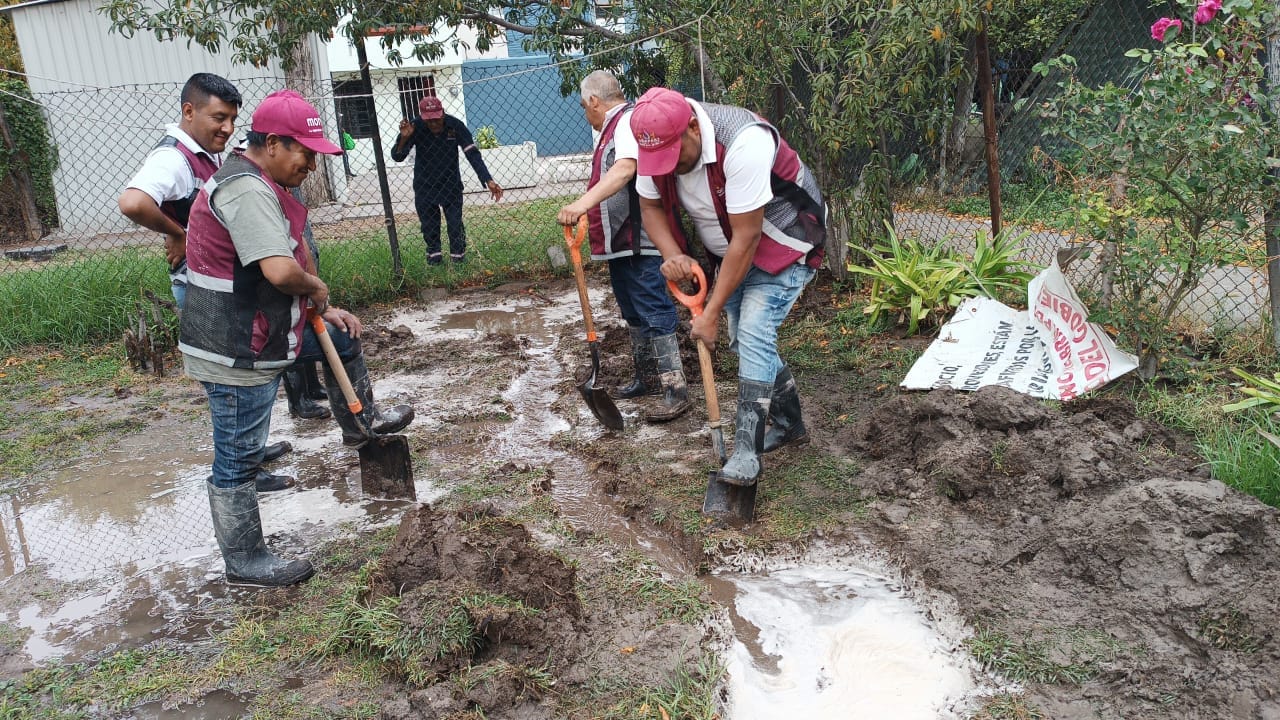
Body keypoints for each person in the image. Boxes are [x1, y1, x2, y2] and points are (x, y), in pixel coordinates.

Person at [180, 89, 415, 586]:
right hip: (236, 347)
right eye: (304, 152)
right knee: (240, 455)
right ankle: (244, 561)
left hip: (266, 331)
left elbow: (284, 263)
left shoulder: (265, 182)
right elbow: (282, 272)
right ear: (270, 143)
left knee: (343, 340)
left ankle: (361, 423)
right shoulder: (245, 189)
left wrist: (325, 311)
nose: (311, 163)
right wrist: (316, 288)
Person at [117, 73, 309, 488]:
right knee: (232, 378)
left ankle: (249, 452)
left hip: (224, 284)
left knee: (243, 381)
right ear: (189, 111)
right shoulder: (174, 158)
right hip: (206, 290)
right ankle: (244, 467)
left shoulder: (208, 155)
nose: (227, 128)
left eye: (233, 120)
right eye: (218, 117)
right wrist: (177, 232)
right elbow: (132, 202)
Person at [631, 87, 824, 488]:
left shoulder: (743, 142)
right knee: (745, 338)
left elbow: (748, 237)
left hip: (784, 240)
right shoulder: (654, 146)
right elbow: (649, 208)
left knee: (753, 331)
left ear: (692, 130)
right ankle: (789, 423)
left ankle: (745, 452)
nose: (664, 169)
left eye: (672, 157)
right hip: (730, 251)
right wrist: (672, 254)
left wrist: (712, 312)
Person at [555, 71, 690, 422]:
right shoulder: (613, 128)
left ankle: (675, 390)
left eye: (585, 107)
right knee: (632, 311)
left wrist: (581, 203)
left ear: (593, 102)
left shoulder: (628, 122)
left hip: (640, 240)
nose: (586, 114)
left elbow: (625, 170)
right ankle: (644, 378)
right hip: (620, 244)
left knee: (653, 309)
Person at [391, 96, 503, 265]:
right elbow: (398, 157)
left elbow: (472, 154)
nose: (434, 124)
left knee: (455, 224)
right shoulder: (415, 126)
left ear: (442, 113)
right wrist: (405, 138)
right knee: (429, 226)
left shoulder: (455, 125)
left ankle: (458, 261)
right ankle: (434, 261)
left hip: (451, 185)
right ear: (422, 117)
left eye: (437, 119)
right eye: (430, 121)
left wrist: (488, 180)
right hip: (425, 186)